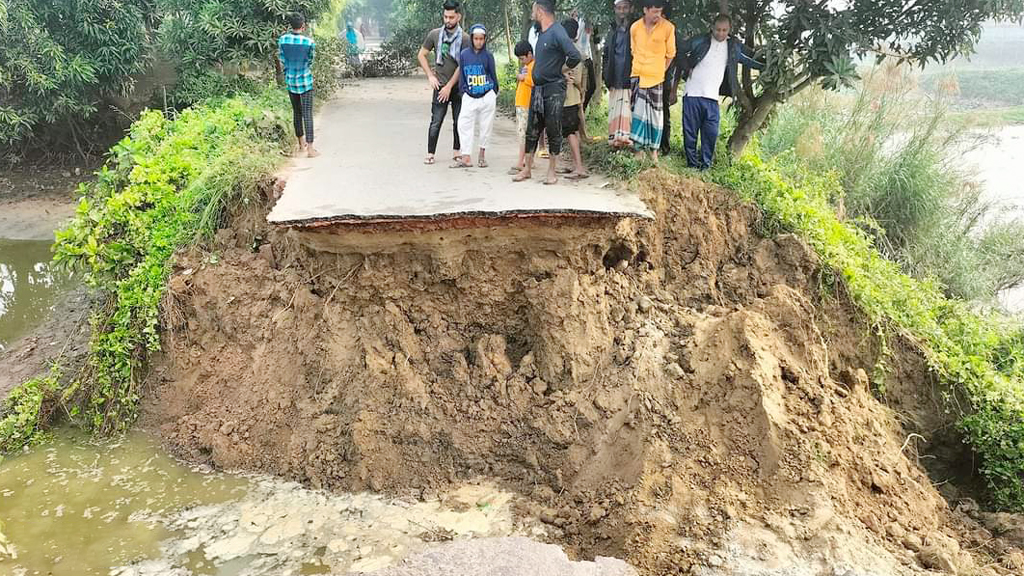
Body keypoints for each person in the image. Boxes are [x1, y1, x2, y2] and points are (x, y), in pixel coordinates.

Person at [678, 13, 764, 169]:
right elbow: (679, 50)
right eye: (718, 30)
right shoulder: (700, 41)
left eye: (725, 30)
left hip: (712, 97)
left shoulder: (733, 47)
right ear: (712, 28)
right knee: (690, 133)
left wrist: (767, 65)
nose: (721, 33)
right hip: (692, 93)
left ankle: (705, 166)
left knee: (710, 133)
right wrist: (686, 67)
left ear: (729, 30)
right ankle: (691, 164)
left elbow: (750, 59)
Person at [514, 0, 581, 185]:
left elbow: (575, 55)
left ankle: (552, 172)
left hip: (553, 89)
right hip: (538, 88)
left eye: (534, 9)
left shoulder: (557, 31)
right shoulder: (542, 33)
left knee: (553, 129)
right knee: (532, 129)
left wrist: (561, 70)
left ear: (541, 11)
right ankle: (527, 169)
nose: (532, 13)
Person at [417, 0, 464, 165]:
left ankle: (457, 151)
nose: (448, 20)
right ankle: (430, 153)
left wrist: (450, 86)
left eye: (451, 17)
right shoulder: (435, 35)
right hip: (439, 86)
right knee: (436, 120)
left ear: (458, 16)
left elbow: (462, 65)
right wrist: (430, 75)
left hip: (458, 87)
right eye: (445, 16)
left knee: (459, 121)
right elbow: (421, 55)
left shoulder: (465, 38)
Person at [629, 0, 675, 162]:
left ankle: (654, 151)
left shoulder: (668, 28)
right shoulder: (635, 27)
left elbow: (670, 54)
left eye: (659, 12)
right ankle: (637, 150)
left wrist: (659, 70)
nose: (657, 15)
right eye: (654, 12)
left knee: (655, 115)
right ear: (645, 10)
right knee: (637, 113)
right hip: (637, 75)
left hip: (656, 78)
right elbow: (634, 51)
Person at [452, 24, 499, 169]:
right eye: (476, 39)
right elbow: (462, 75)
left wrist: (493, 92)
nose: (478, 42)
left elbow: (493, 75)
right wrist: (463, 92)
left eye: (481, 39)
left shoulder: (488, 56)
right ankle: (466, 157)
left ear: (485, 39)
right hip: (469, 96)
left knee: (486, 126)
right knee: (463, 124)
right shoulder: (464, 55)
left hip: (486, 96)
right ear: (471, 39)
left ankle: (482, 155)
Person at [279, 12, 319, 158]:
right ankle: (311, 149)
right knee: (307, 113)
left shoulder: (283, 40)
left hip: (291, 81)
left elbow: (282, 58)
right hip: (305, 81)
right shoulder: (309, 43)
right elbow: (310, 61)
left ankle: (301, 145)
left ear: (291, 25)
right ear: (303, 26)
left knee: (297, 112)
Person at [559, 18, 589, 180]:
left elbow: (575, 78)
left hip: (568, 97)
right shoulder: (577, 50)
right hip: (574, 97)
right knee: (573, 131)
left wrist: (562, 74)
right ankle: (575, 164)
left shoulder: (570, 52)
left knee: (570, 131)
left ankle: (579, 167)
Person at [603, 0, 633, 149]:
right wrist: (606, 76)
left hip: (629, 78)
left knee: (628, 111)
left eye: (625, 8)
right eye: (619, 8)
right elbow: (606, 55)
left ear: (630, 9)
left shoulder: (634, 29)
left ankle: (626, 143)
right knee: (615, 110)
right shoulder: (612, 30)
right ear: (615, 9)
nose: (622, 11)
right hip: (614, 78)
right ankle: (614, 143)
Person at [511, 40, 536, 175]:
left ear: (529, 54)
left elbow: (533, 81)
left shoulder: (533, 66)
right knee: (524, 133)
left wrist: (522, 78)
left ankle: (521, 161)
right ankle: (528, 160)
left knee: (523, 134)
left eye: (522, 58)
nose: (521, 61)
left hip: (526, 103)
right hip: (522, 102)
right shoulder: (528, 65)